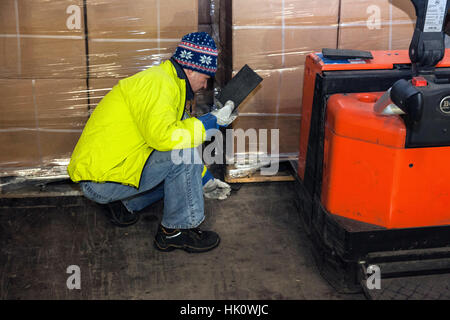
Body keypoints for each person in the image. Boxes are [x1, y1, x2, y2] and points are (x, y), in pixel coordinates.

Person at [67, 32, 237, 253]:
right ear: (193, 69)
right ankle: (176, 232)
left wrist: (205, 180)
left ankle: (125, 205)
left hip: (113, 171)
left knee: (181, 177)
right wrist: (210, 121)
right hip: (102, 181)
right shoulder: (159, 84)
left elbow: (181, 135)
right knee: (181, 155)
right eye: (205, 78)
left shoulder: (168, 85)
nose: (205, 86)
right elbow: (167, 139)